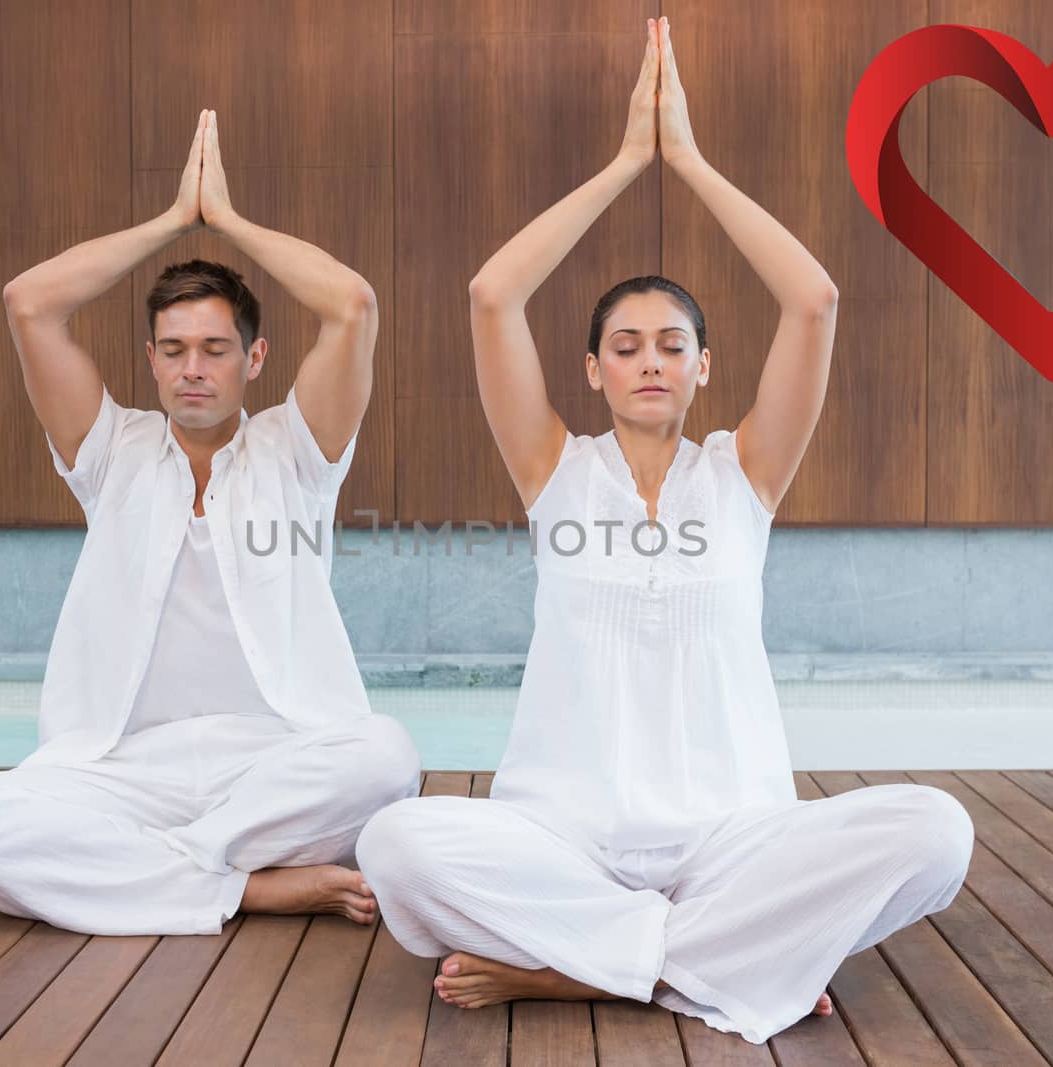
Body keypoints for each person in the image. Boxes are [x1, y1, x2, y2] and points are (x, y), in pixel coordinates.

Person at [355, 17, 973, 1044]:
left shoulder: (744, 475)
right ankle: (718, 959)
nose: (651, 360)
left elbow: (812, 298)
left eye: (672, 344)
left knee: (935, 831)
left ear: (703, 367)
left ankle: (573, 971)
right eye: (625, 344)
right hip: (561, 834)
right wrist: (623, 163)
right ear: (591, 369)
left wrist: (685, 160)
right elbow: (490, 293)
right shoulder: (554, 471)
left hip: (734, 837)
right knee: (396, 844)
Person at [0, 109, 421, 937]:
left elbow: (353, 305)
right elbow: (29, 302)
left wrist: (232, 221)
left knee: (388, 756)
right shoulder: (114, 452)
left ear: (254, 360)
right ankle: (243, 886)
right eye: (173, 349)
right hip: (123, 766)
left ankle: (156, 868)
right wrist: (175, 219)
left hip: (278, 762)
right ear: (149, 359)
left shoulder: (295, 450)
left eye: (216, 348)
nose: (193, 369)